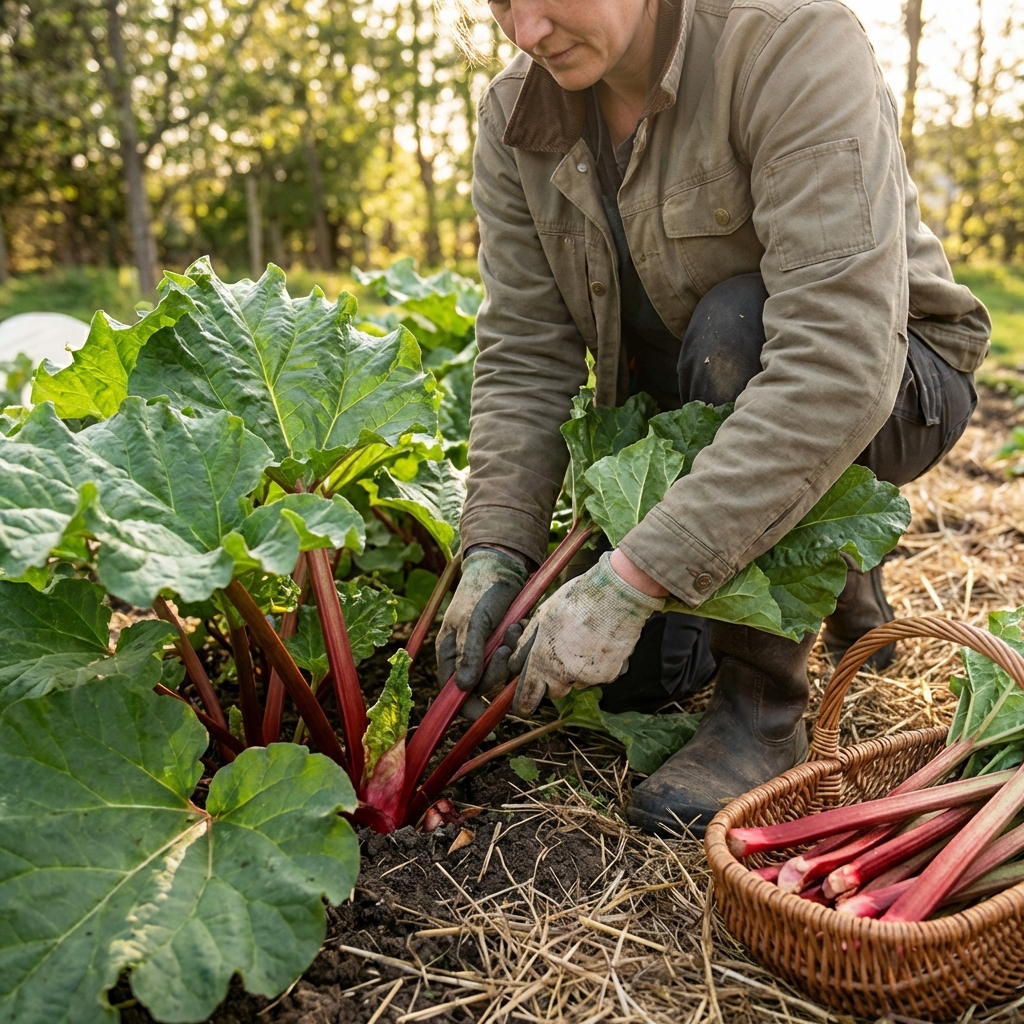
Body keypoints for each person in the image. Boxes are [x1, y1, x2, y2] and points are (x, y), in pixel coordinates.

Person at [435, 0, 990, 836]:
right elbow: (525, 350)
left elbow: (837, 364)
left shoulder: (791, 41)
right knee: (632, 682)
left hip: (891, 377)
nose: (526, 31)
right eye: (503, 2)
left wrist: (635, 579)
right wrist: (494, 548)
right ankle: (833, 550)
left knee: (737, 327)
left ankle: (763, 711)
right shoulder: (518, 112)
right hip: (692, 409)